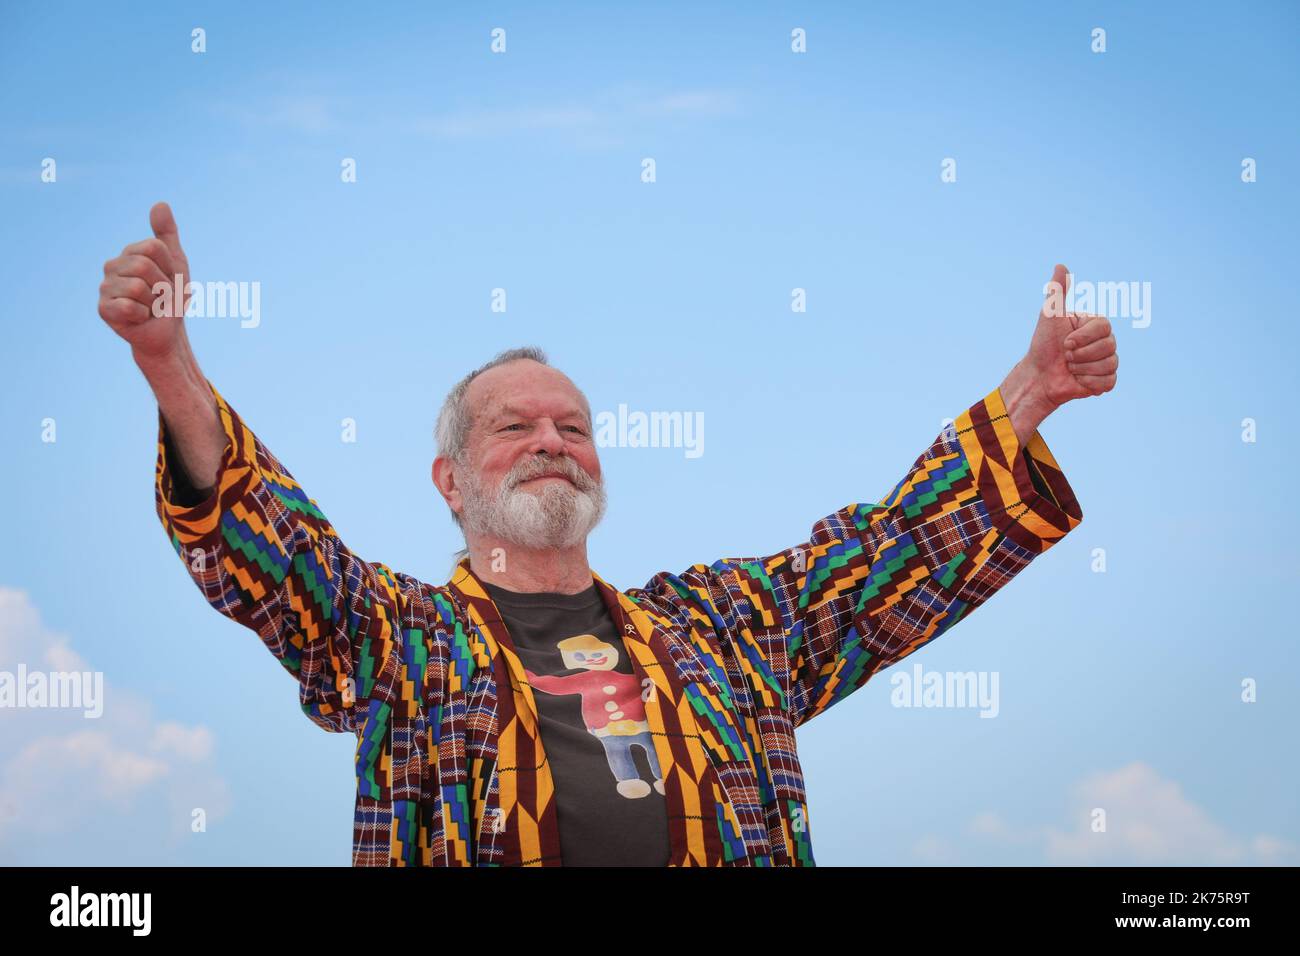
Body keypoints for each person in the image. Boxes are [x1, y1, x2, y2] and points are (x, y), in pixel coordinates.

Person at [97, 202, 1116, 866]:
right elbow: (275, 555)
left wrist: (1030, 391)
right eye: (515, 426)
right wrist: (170, 363)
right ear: (450, 481)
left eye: (573, 426)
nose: (552, 441)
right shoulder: (403, 640)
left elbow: (889, 554)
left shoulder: (725, 625)